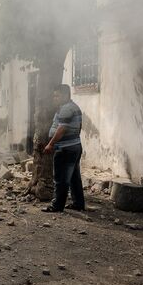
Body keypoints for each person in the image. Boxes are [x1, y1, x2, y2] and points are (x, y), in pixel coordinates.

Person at [42, 84, 85, 212]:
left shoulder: (66, 109)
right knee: (74, 177)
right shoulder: (74, 107)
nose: (54, 98)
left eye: (57, 96)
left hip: (65, 149)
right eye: (54, 96)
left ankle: (57, 206)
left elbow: (62, 129)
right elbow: (79, 126)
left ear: (65, 95)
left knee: (61, 178)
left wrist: (50, 144)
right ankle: (78, 203)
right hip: (75, 146)